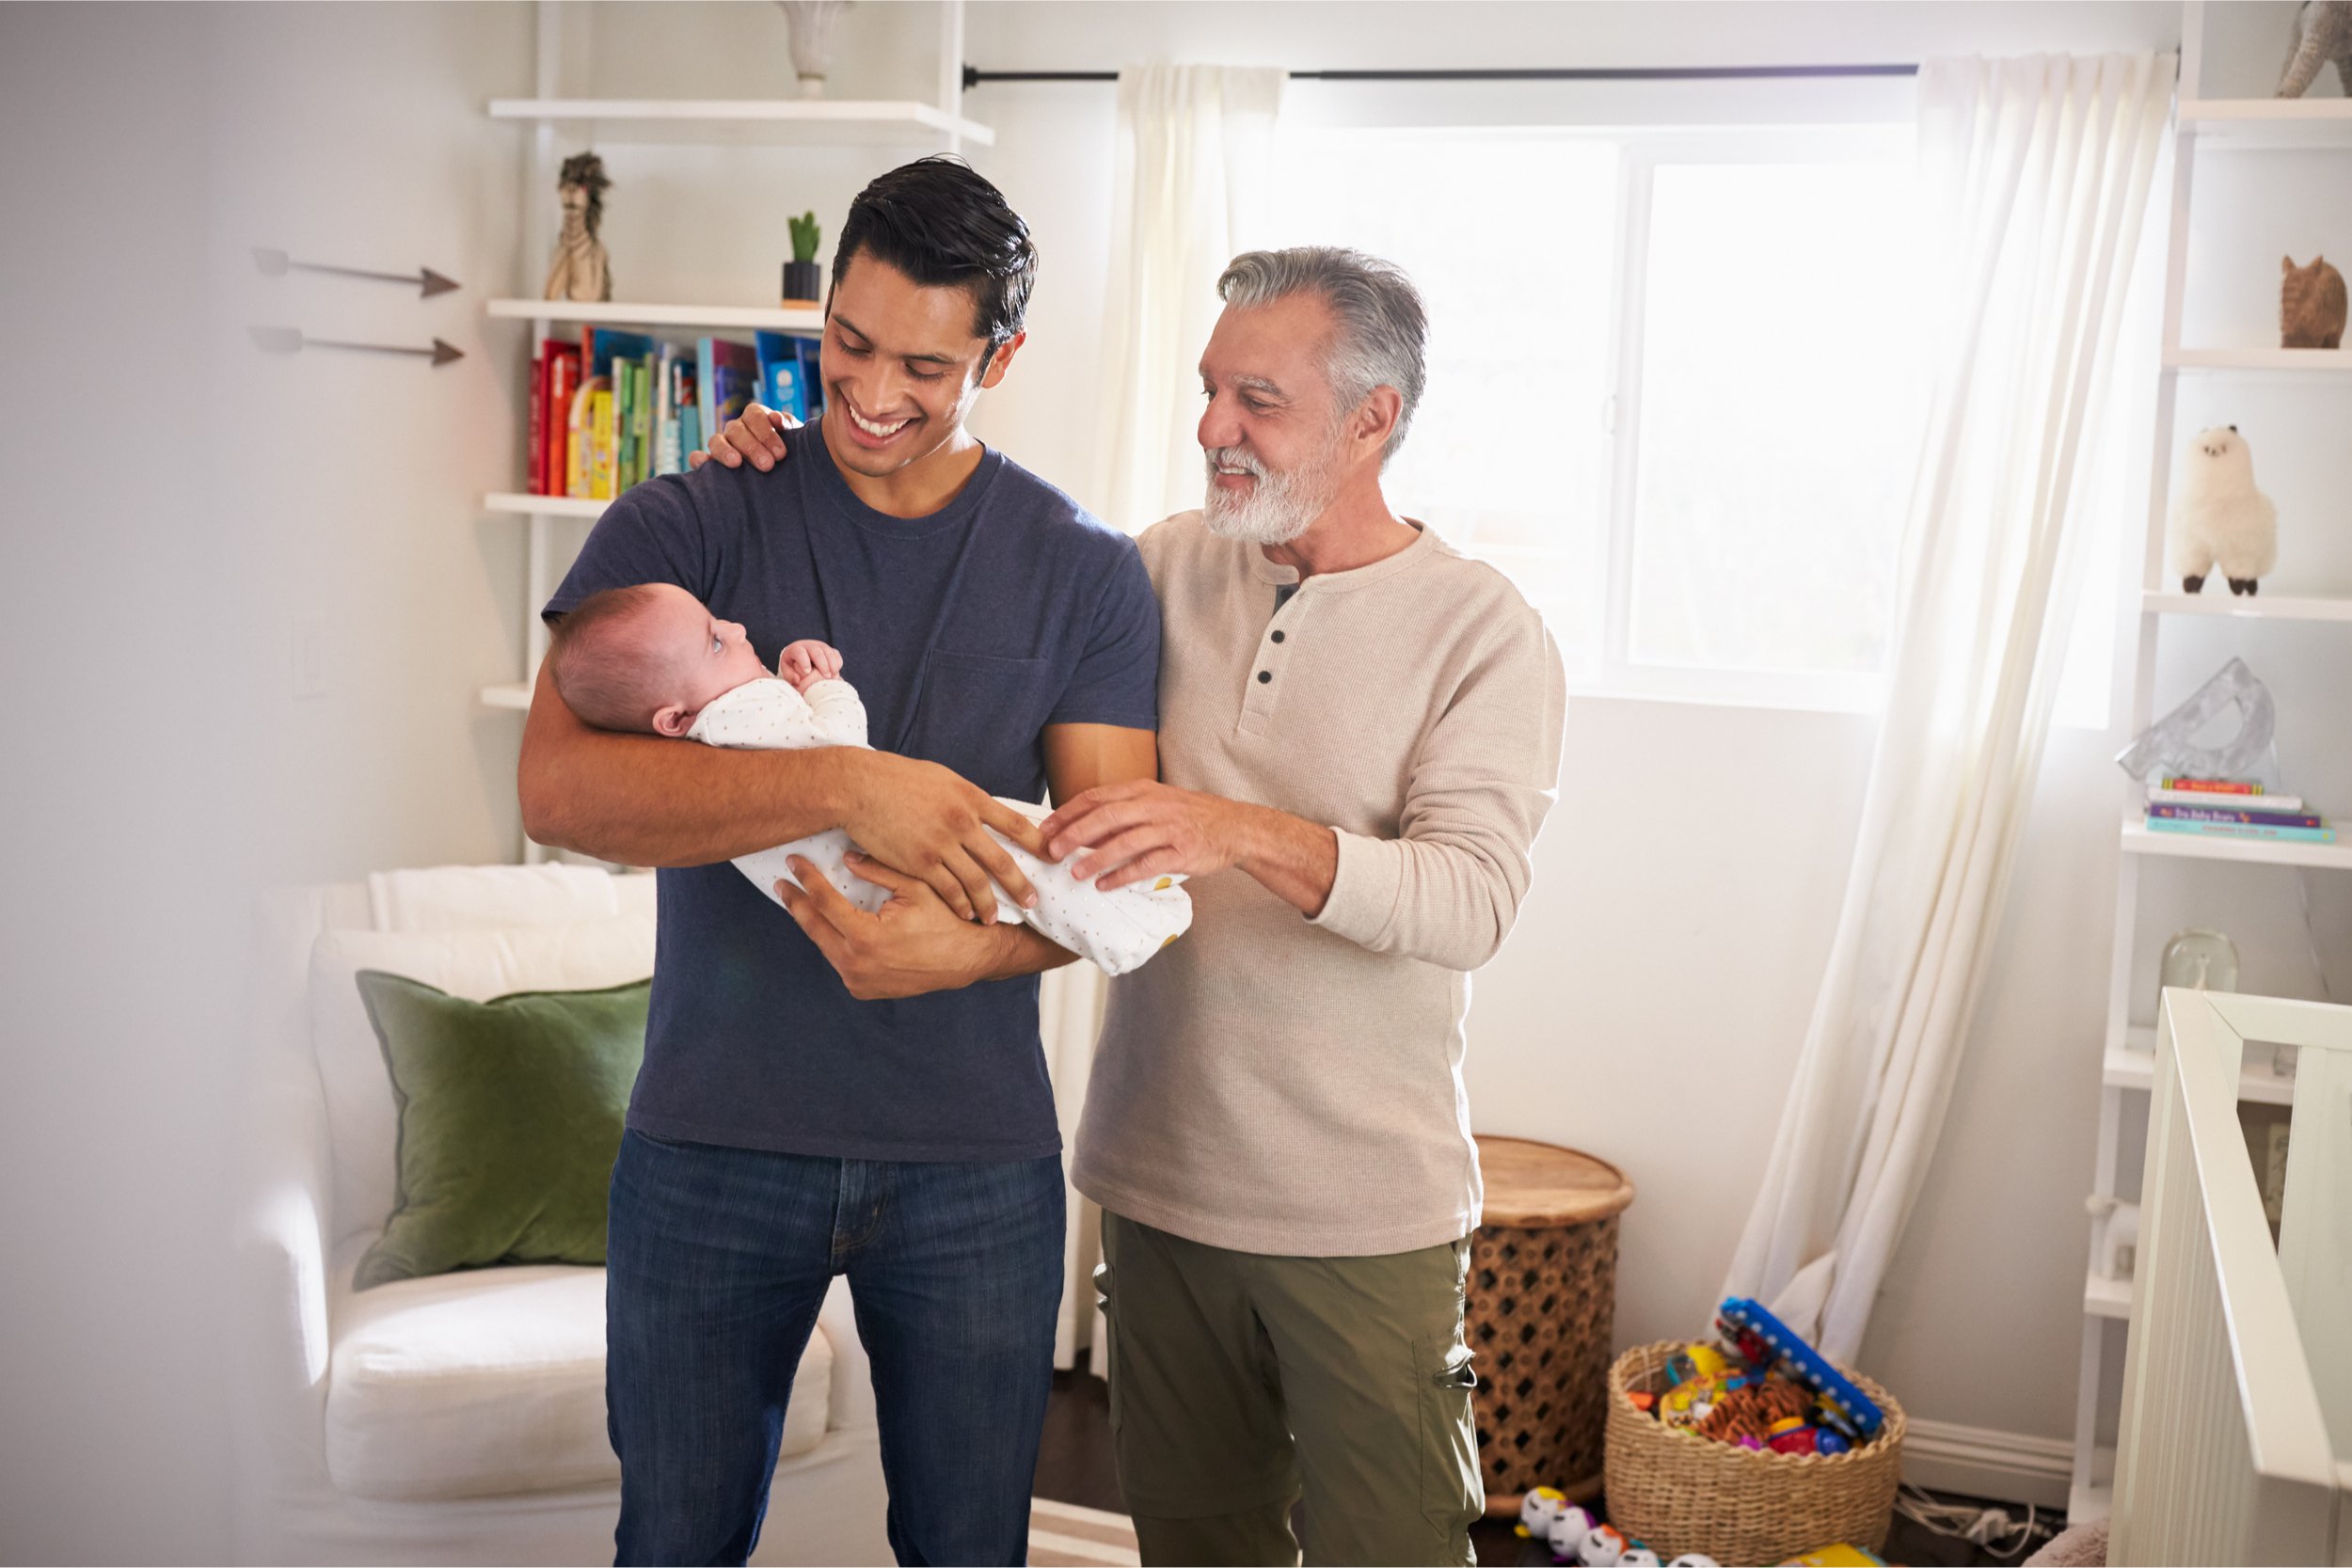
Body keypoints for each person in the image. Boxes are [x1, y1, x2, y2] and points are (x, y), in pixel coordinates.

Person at [702, 245, 1566, 1567]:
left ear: (1372, 418)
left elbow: (1470, 899)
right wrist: (790, 459)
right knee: (1197, 1547)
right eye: (1210, 389)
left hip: (1362, 1213)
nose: (1213, 427)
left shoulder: (1483, 629)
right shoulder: (1159, 565)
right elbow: (959, 560)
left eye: (1257, 400)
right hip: (1158, 1188)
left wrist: (1237, 829)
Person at [520, 155, 1162, 1566]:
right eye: (848, 344)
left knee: (967, 1548)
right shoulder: (696, 517)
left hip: (970, 1159)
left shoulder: (1085, 570)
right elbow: (559, 787)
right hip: (709, 1138)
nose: (870, 394)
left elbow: (1111, 871)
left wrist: (975, 947)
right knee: (674, 1542)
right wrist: (846, 783)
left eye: (925, 365)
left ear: (1005, 352)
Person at [545, 580, 1190, 974]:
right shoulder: (745, 709)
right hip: (873, 858)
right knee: (1022, 854)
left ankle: (1130, 910)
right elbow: (845, 757)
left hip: (850, 891)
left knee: (1012, 889)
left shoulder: (710, 733)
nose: (738, 628)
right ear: (675, 716)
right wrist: (826, 685)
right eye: (716, 640)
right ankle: (1133, 916)